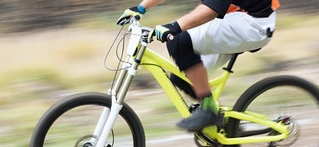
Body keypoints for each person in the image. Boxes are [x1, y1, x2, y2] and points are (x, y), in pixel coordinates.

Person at [117, 0, 279, 131]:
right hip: (235, 19)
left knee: (179, 41)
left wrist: (174, 27)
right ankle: (224, 128)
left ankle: (209, 110)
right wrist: (140, 8)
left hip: (252, 25)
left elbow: (212, 9)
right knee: (183, 77)